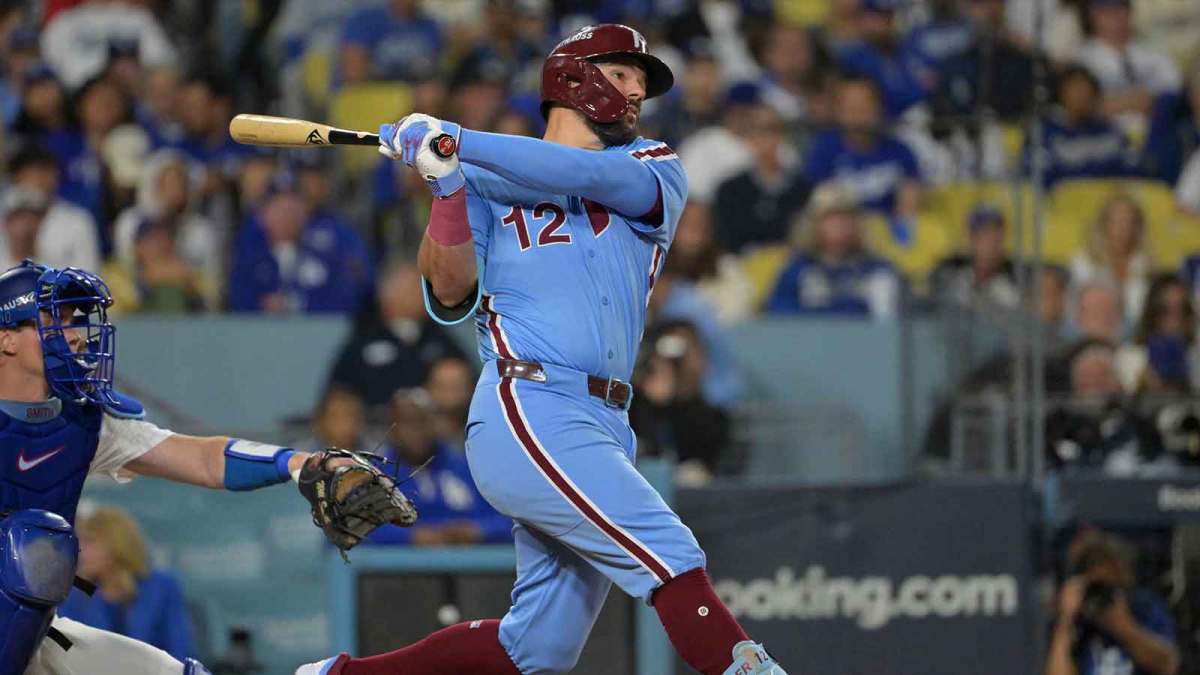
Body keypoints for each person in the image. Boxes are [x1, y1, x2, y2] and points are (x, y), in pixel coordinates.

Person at [299, 22, 787, 675]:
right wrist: (447, 184)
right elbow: (449, 289)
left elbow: (576, 170)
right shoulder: (479, 178)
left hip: (608, 420)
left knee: (536, 650)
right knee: (670, 553)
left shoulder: (652, 163)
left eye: (641, 81)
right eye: (621, 73)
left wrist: (458, 139)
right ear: (572, 78)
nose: (636, 90)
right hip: (529, 402)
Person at [0, 259, 406, 674]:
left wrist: (302, 463)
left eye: (73, 320)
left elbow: (203, 459)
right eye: (53, 321)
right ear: (7, 339)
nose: (74, 335)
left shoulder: (82, 423)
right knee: (29, 544)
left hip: (32, 635)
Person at [367, 389, 512, 546]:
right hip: (399, 560)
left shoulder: (468, 467)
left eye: (424, 421)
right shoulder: (375, 474)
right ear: (392, 428)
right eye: (408, 422)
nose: (417, 430)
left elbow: (509, 519)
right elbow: (362, 525)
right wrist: (411, 536)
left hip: (471, 557)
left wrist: (478, 531)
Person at [58, 506, 196, 661]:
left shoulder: (163, 587)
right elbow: (66, 653)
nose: (80, 550)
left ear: (118, 545)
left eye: (90, 542)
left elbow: (179, 651)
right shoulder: (73, 595)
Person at [227, 171, 373, 314]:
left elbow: (350, 295)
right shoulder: (250, 251)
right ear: (263, 215)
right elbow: (238, 297)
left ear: (305, 211)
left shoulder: (329, 249)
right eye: (279, 208)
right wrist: (262, 308)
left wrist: (295, 304)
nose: (287, 216)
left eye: (293, 207)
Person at [326, 260, 466, 410]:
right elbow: (339, 390)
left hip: (433, 420)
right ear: (386, 293)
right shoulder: (363, 337)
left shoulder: (439, 337)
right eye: (413, 288)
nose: (426, 296)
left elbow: (469, 377)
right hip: (375, 420)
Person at [1046, 529, 1180, 675]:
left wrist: (1123, 626)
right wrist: (1065, 621)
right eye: (1095, 588)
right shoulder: (1077, 624)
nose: (1101, 595)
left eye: (1108, 587)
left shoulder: (1144, 609)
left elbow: (1167, 666)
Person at [764, 183, 901, 318]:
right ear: (814, 224)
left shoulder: (878, 271)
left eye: (846, 218)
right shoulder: (797, 270)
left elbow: (895, 321)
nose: (839, 224)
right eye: (830, 218)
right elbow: (778, 315)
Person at [803, 74, 922, 225]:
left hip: (888, 232)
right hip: (843, 232)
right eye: (851, 108)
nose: (858, 116)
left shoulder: (901, 152)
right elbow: (821, 209)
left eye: (865, 108)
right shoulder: (823, 152)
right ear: (838, 112)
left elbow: (908, 214)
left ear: (879, 109)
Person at [630, 320, 732, 485]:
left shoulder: (716, 420)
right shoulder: (636, 407)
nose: (676, 363)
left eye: (684, 351)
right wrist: (653, 401)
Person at [712, 103, 812, 254]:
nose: (765, 138)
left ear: (782, 136)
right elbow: (725, 242)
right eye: (757, 130)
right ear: (747, 137)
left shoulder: (803, 189)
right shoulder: (729, 191)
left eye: (771, 129)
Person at [1076, 0, 1181, 137]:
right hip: (1103, 138)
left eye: (1120, 10)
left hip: (1156, 135)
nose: (1115, 17)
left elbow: (1174, 89)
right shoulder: (1082, 59)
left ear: (1130, 12)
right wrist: (1130, 102)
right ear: (1093, 16)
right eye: (1106, 12)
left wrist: (1113, 103)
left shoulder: (1154, 51)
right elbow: (1081, 106)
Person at [1032, 65, 1142, 188]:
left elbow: (1132, 171)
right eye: (1074, 89)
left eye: (1085, 89)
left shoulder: (1110, 130)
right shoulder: (1045, 132)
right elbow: (1038, 177)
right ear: (1060, 93)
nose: (1081, 95)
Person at [4, 144, 101, 273]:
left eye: (44, 172)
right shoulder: (5, 217)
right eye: (30, 173)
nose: (38, 180)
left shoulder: (78, 221)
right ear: (16, 178)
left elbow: (88, 276)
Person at [1069, 192, 1153, 323]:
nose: (1122, 228)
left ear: (1137, 227)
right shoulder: (1083, 261)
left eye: (1128, 221)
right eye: (1115, 221)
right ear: (1103, 225)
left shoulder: (1146, 265)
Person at [1115, 273, 1199, 393]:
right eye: (1165, 310)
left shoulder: (1195, 357)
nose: (1174, 320)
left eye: (1183, 310)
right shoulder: (1130, 358)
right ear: (1152, 313)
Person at [929, 204, 1019, 310]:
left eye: (996, 236)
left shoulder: (1017, 276)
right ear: (971, 239)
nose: (990, 243)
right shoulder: (950, 270)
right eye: (983, 235)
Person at [337, 0, 442, 85]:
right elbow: (353, 73)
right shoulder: (364, 19)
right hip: (370, 94)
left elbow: (434, 70)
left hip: (418, 94)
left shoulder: (430, 26)